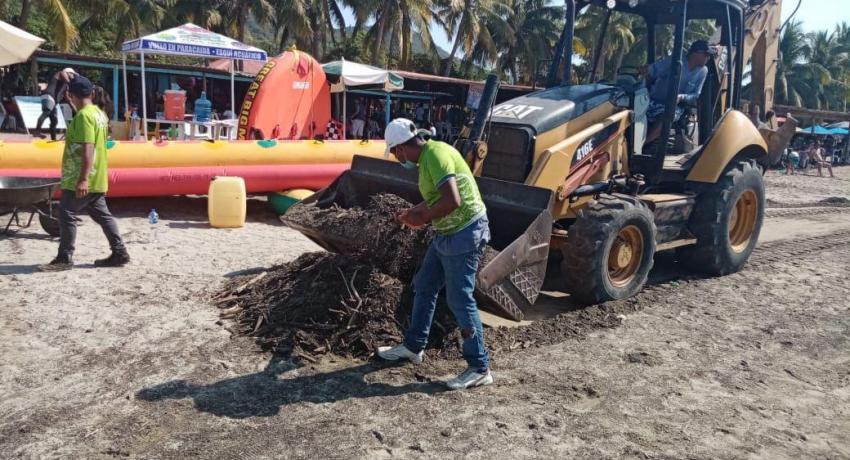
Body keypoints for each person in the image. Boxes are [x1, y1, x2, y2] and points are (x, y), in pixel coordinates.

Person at [376, 118, 493, 391]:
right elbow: (435, 198)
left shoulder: (436, 155)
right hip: (446, 234)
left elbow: (453, 200)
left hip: (465, 232)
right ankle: (414, 347)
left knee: (459, 298)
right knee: (425, 285)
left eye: (394, 153)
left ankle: (479, 367)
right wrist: (411, 213)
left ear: (402, 148)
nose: (396, 158)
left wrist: (421, 219)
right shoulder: (428, 157)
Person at [41, 76, 130, 271]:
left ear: (70, 95)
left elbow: (88, 148)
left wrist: (82, 179)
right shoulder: (98, 113)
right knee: (103, 216)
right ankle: (120, 252)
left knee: (66, 213)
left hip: (81, 179)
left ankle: (65, 257)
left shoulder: (83, 117)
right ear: (91, 93)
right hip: (98, 176)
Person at [644, 40, 715, 145]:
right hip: (653, 101)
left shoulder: (703, 71)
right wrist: (644, 70)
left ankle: (643, 145)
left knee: (668, 115)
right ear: (696, 54)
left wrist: (681, 97)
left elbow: (695, 95)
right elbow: (653, 70)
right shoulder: (675, 60)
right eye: (706, 55)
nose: (708, 58)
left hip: (675, 106)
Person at [34, 68, 77, 140]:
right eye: (72, 74)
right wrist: (72, 82)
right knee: (46, 112)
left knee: (54, 120)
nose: (73, 76)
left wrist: (75, 110)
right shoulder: (60, 73)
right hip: (48, 96)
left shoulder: (66, 85)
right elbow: (63, 74)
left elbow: (68, 99)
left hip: (53, 101)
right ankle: (37, 132)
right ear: (68, 72)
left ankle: (53, 139)